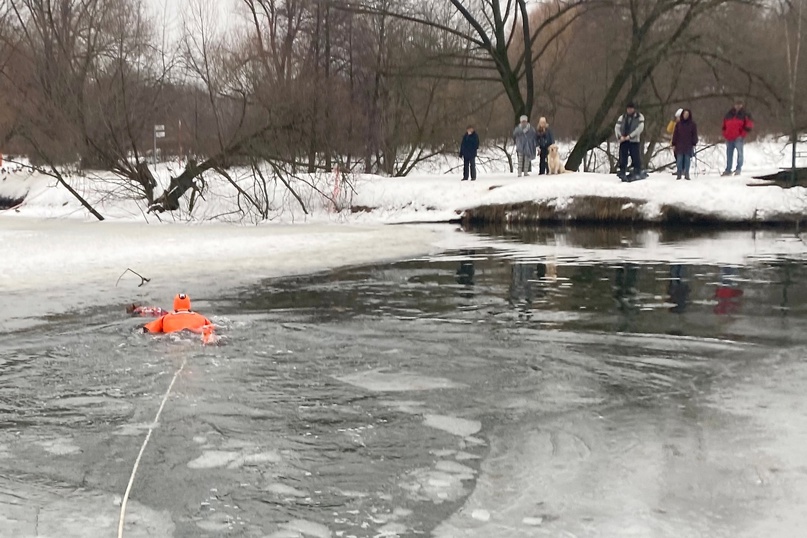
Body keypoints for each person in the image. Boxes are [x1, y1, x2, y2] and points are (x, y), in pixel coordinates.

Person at [143, 293, 214, 337]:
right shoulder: (202, 318)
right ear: (189, 304)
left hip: (173, 338)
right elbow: (212, 328)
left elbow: (147, 329)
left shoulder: (164, 319)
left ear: (175, 305)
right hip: (195, 336)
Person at [722, 98, 754, 176]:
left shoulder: (745, 114)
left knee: (740, 153)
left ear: (742, 105)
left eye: (739, 104)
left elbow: (749, 125)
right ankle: (728, 169)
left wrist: (742, 134)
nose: (738, 106)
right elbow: (724, 125)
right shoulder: (729, 113)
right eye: (737, 104)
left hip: (738, 137)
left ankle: (738, 169)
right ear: (734, 105)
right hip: (729, 137)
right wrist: (725, 134)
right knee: (729, 154)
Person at [614, 102, 645, 181]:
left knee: (635, 155)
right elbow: (617, 127)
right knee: (622, 156)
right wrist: (619, 136)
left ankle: (637, 170)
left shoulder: (639, 117)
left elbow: (639, 128)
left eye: (631, 108)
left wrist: (630, 136)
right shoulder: (622, 117)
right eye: (628, 109)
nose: (629, 110)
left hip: (634, 140)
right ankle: (622, 170)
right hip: (623, 139)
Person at [672, 109, 698, 180]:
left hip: (688, 145)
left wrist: (694, 143)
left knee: (687, 160)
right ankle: (679, 173)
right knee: (679, 160)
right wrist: (673, 144)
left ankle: (687, 173)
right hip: (679, 144)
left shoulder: (692, 125)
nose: (685, 116)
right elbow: (675, 134)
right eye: (684, 114)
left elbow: (694, 135)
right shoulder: (678, 124)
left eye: (687, 114)